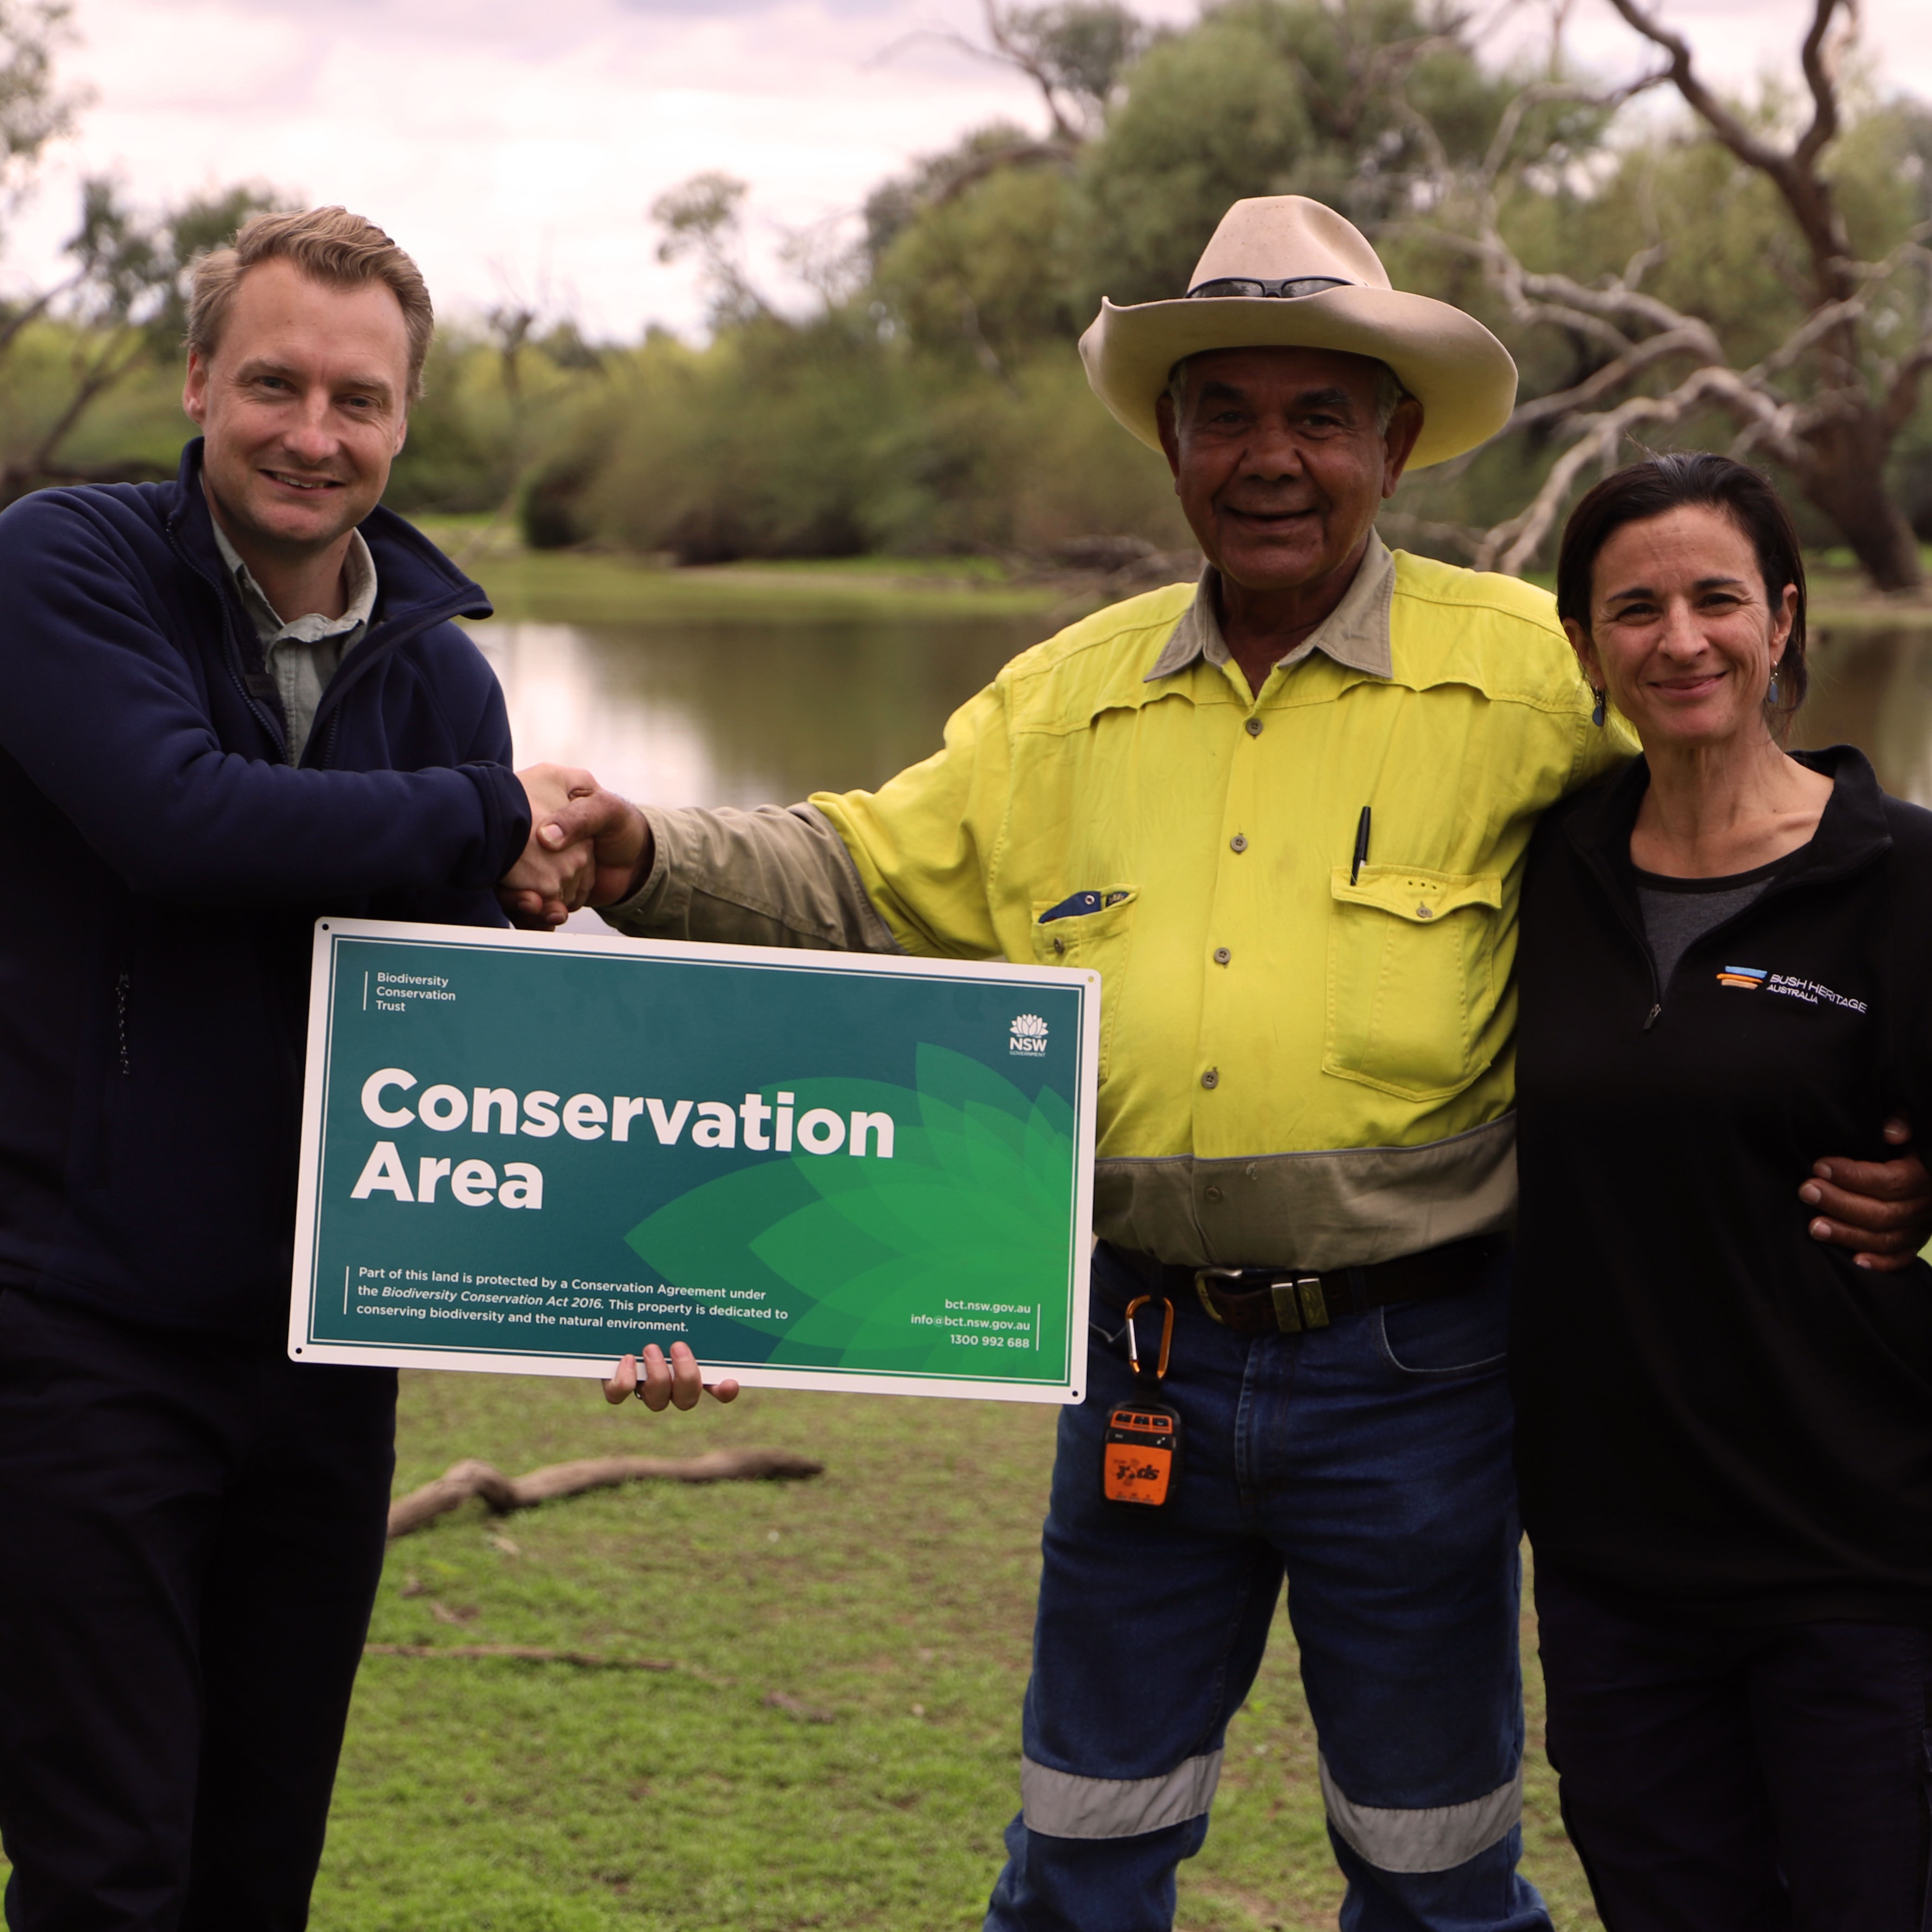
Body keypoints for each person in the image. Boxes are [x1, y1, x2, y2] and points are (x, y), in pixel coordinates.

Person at [523, 199, 1928, 1930]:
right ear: (1173, 446)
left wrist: (1901, 1127)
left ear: (1395, 443)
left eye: (1319, 415)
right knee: (1083, 1848)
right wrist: (636, 847)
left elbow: (1755, 833)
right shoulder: (1063, 699)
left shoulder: (1539, 675)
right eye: (1226, 414)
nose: (1273, 458)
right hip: (1135, 1359)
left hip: (1425, 1377)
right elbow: (857, 872)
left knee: (1433, 1867)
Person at [0, 205, 712, 1932]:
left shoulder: (446, 678)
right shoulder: (61, 567)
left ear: (405, 422)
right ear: (195, 382)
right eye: (273, 383)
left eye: (359, 400)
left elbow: (488, 1055)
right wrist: (492, 816)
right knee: (107, 1871)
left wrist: (632, 1276)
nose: (314, 434)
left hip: (328, 1352)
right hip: (78, 1329)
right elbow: (177, 819)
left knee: (260, 1865)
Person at [1512, 452, 1932, 1929]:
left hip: (1857, 1560)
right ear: (1584, 648)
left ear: (1783, 621)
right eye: (1635, 608)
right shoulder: (1544, 874)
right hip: (1614, 1568)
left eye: (1716, 599)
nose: (1680, 639)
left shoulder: (1902, 879)